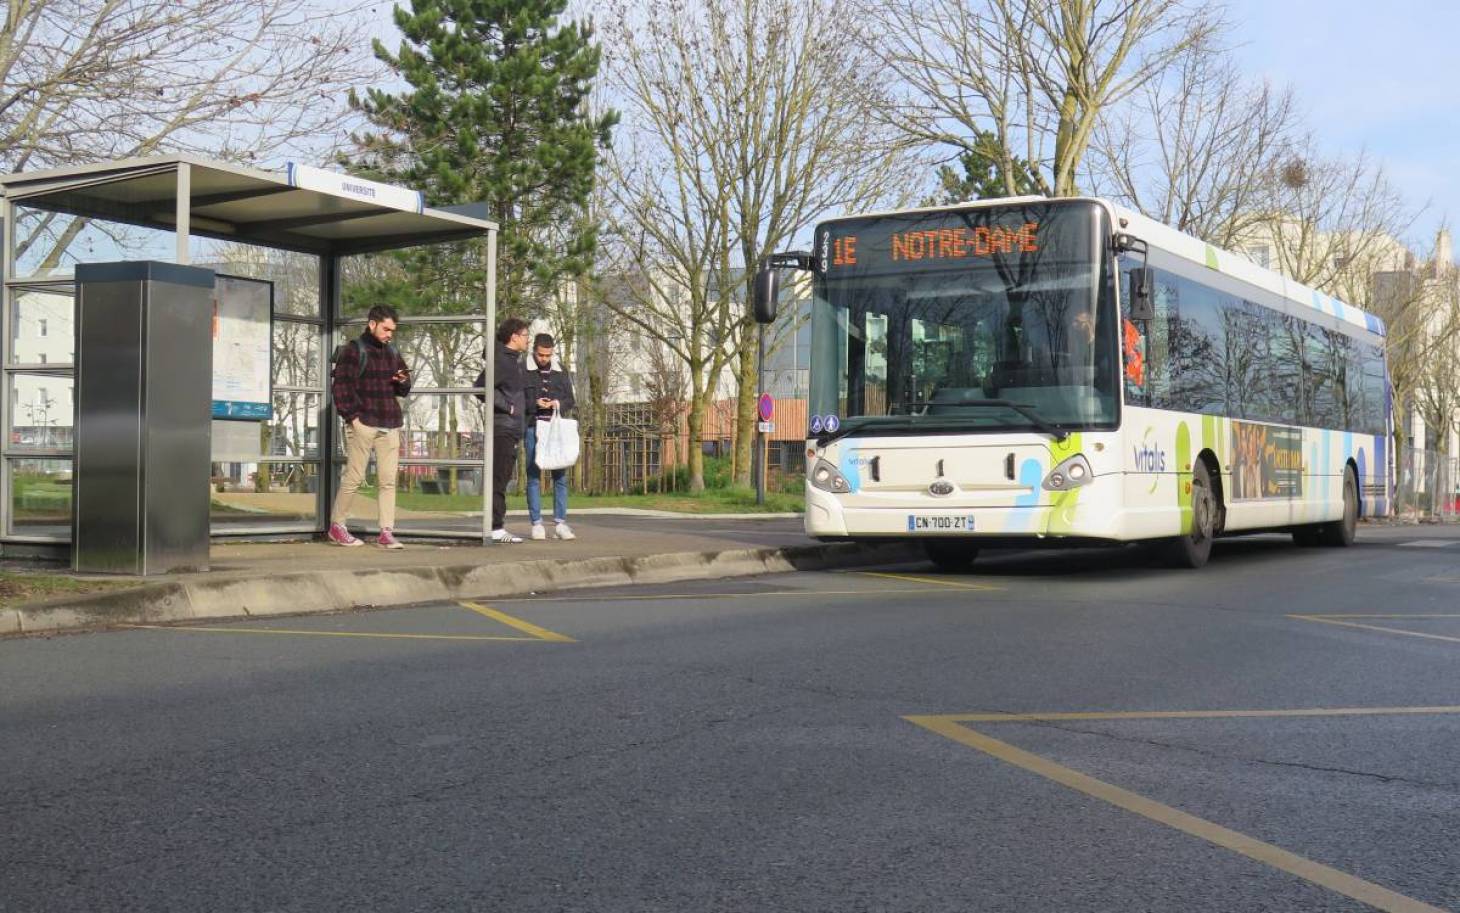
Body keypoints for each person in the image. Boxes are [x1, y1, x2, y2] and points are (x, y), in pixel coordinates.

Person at [328, 304, 412, 549]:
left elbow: (404, 388)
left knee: (388, 481)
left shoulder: (393, 352)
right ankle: (337, 526)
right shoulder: (355, 350)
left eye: (392, 331)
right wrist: (354, 418)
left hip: (390, 423)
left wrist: (403, 381)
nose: (389, 334)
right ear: (372, 324)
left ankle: (386, 532)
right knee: (354, 477)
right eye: (386, 329)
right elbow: (341, 387)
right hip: (363, 422)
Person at [475, 318, 531, 543]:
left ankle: (496, 525)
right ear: (514, 337)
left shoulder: (514, 362)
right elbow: (480, 387)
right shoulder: (502, 362)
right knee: (499, 477)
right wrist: (507, 406)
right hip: (502, 429)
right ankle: (495, 527)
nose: (528, 339)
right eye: (525, 335)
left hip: (512, 428)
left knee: (503, 476)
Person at [523, 333, 577, 540]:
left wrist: (556, 403)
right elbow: (519, 398)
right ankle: (536, 523)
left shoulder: (560, 371)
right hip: (532, 427)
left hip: (554, 429)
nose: (544, 359)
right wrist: (534, 404)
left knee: (560, 476)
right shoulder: (524, 370)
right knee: (533, 475)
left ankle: (560, 523)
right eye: (541, 355)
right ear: (534, 351)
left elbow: (569, 399)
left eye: (548, 355)